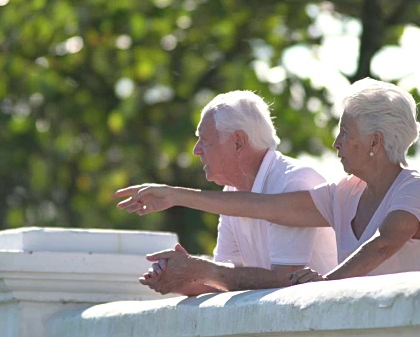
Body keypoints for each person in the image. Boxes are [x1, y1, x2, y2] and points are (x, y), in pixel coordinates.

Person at [116, 78, 420, 285]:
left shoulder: (414, 188)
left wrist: (325, 285)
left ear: (374, 142)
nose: (336, 143)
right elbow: (262, 206)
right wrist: (173, 195)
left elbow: (385, 242)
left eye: (345, 132)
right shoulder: (344, 194)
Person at [128, 90, 337, 296]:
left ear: (238, 142)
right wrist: (183, 278)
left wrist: (199, 270)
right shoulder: (231, 190)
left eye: (205, 140)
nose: (196, 150)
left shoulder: (293, 181)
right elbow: (227, 279)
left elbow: (287, 281)